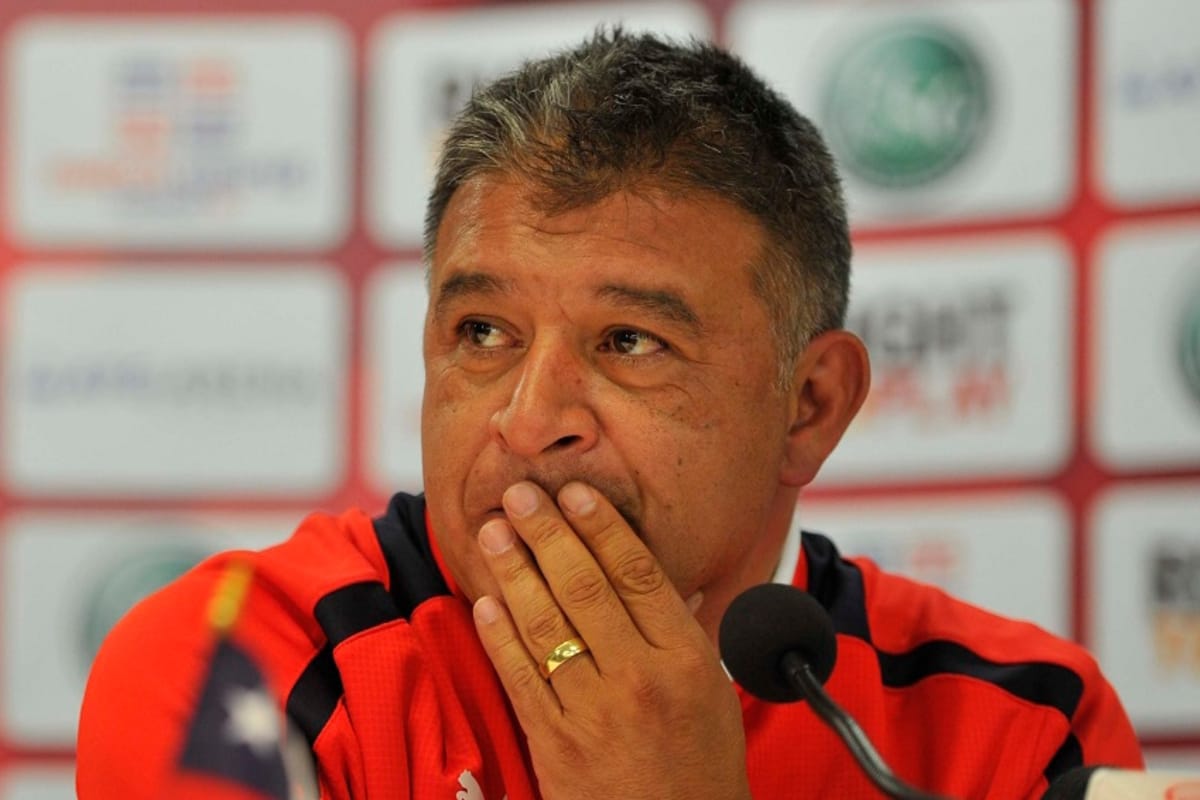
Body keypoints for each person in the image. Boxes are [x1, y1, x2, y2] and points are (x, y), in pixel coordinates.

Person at [76, 28, 1142, 800]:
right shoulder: (242, 664)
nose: (528, 419)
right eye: (483, 332)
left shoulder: (1020, 719)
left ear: (810, 406)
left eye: (629, 342)